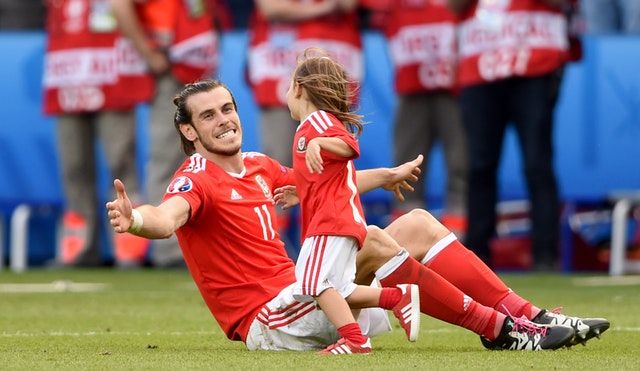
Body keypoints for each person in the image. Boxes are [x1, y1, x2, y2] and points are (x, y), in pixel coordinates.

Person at [106, 79, 609, 353]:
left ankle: (528, 316)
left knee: (415, 223)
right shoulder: (196, 176)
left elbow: (318, 183)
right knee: (367, 236)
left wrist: (385, 175)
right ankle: (500, 329)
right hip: (269, 320)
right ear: (190, 132)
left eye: (227, 108)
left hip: (311, 294)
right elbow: (167, 217)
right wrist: (135, 220)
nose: (224, 120)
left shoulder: (258, 166)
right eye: (208, 115)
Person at [285, 50, 421, 354]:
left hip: (331, 222)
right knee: (339, 288)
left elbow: (349, 146)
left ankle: (355, 340)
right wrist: (300, 190)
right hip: (340, 220)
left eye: (288, 86)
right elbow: (336, 178)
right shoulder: (313, 125)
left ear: (298, 88)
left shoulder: (317, 122)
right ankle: (395, 298)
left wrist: (319, 142)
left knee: (309, 281)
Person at [447, 0, 569, 270]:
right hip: (480, 69)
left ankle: (546, 258)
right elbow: (452, 5)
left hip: (536, 64)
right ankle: (477, 258)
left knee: (538, 165)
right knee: (480, 166)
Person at [44, 0, 154, 267]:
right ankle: (79, 249)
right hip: (66, 81)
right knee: (74, 168)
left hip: (113, 77)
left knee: (121, 164)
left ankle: (129, 248)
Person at [247, 0, 362, 254]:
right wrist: (321, 8)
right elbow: (271, 8)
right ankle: (274, 246)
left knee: (331, 165)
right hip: (277, 71)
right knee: (277, 166)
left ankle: (329, 239)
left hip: (327, 76)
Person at [111, 0, 218, 267]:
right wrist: (149, 54)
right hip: (173, 65)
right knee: (168, 157)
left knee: (203, 159)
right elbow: (119, 5)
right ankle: (169, 251)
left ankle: (198, 247)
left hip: (196, 64)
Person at [379, 0, 468, 235]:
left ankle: (459, 243)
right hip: (412, 91)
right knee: (407, 170)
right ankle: (409, 241)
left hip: (455, 90)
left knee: (462, 165)